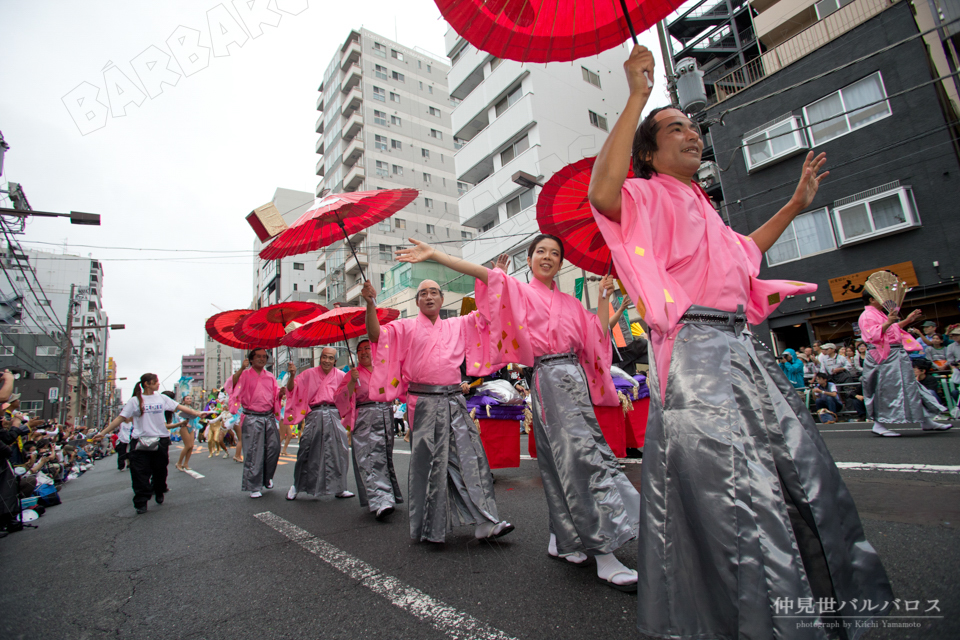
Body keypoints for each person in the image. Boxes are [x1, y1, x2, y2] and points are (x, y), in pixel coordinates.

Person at [587, 44, 894, 637]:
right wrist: (635, 98)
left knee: (802, 478)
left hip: (746, 354)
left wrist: (797, 203)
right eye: (675, 129)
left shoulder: (705, 206)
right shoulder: (645, 198)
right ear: (648, 154)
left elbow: (746, 255)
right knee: (737, 495)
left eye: (693, 126)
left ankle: (814, 608)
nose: (692, 134)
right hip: (698, 361)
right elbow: (603, 194)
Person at [395, 236, 641, 590]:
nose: (548, 257)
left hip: (574, 383)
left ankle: (563, 536)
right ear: (529, 259)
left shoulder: (570, 303)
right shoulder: (519, 291)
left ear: (560, 263)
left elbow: (596, 335)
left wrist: (603, 299)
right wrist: (436, 255)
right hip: (549, 381)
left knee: (562, 464)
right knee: (581, 461)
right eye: (541, 251)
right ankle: (604, 551)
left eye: (555, 253)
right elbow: (482, 273)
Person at [362, 278, 513, 543]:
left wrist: (496, 280)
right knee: (430, 465)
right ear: (417, 301)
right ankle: (431, 526)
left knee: (470, 460)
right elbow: (376, 336)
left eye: (434, 292)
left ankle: (485, 521)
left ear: (442, 300)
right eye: (423, 294)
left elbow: (487, 316)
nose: (429, 297)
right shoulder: (406, 327)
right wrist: (370, 303)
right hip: (422, 403)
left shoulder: (458, 324)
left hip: (454, 401)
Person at [96, 373, 209, 514]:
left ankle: (159, 490)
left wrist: (198, 414)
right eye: (155, 382)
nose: (158, 384)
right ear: (147, 384)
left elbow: (179, 407)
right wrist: (103, 433)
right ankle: (141, 502)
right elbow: (120, 418)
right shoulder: (134, 401)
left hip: (160, 439)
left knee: (160, 470)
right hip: (139, 441)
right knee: (139, 472)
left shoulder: (162, 398)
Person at [858, 292, 952, 437]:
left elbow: (892, 330)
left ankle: (925, 420)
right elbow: (871, 336)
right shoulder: (867, 315)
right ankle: (878, 424)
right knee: (884, 388)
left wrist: (907, 320)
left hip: (896, 353)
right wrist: (889, 322)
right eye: (879, 297)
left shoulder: (880, 314)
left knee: (910, 386)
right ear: (872, 299)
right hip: (882, 355)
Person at [336, 339, 403, 520]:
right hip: (365, 417)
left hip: (385, 415)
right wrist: (351, 382)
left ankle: (388, 495)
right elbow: (340, 398)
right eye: (360, 350)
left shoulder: (384, 371)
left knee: (384, 458)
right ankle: (380, 501)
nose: (364, 352)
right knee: (369, 458)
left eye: (367, 348)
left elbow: (399, 388)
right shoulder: (352, 374)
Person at [282, 347, 354, 501]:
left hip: (334, 415)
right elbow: (291, 389)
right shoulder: (308, 374)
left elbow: (348, 396)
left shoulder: (342, 375)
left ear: (335, 361)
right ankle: (297, 485)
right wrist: (292, 375)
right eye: (324, 357)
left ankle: (340, 487)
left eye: (330, 358)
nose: (327, 361)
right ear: (320, 358)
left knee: (340, 451)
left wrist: (353, 379)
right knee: (306, 450)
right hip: (314, 414)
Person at [229, 349, 284, 498]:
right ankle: (254, 486)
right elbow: (232, 386)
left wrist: (282, 392)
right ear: (251, 359)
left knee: (274, 449)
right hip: (252, 416)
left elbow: (275, 395)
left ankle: (267, 478)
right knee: (254, 451)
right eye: (258, 356)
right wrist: (241, 368)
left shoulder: (270, 376)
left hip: (269, 417)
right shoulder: (244, 375)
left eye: (264, 357)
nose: (261, 359)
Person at [168, 392, 194, 472]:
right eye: (187, 399)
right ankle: (179, 463)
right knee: (187, 445)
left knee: (191, 446)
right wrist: (183, 422)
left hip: (192, 427)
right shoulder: (181, 408)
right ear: (183, 400)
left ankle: (185, 463)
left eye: (190, 398)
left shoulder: (192, 409)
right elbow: (178, 416)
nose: (189, 400)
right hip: (183, 427)